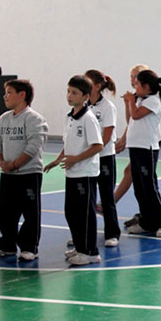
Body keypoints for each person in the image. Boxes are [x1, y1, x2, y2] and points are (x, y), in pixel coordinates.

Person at [0, 80, 48, 262]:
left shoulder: (34, 118)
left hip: (28, 174)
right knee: (6, 212)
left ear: (22, 95)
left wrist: (16, 164)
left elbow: (35, 144)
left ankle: (29, 247)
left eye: (9, 92)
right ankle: (7, 244)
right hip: (8, 175)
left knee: (30, 212)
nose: (5, 96)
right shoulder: (3, 118)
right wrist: (1, 161)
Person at [45, 76, 103, 265]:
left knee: (84, 214)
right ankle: (79, 247)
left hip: (84, 173)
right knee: (71, 212)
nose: (69, 96)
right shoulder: (69, 117)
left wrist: (75, 160)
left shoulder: (89, 118)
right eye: (68, 91)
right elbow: (68, 143)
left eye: (74, 93)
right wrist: (58, 160)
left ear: (85, 96)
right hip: (71, 172)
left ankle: (90, 252)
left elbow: (97, 146)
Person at [122, 69, 161, 237]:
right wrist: (128, 103)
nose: (134, 87)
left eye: (137, 85)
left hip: (147, 148)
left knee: (149, 186)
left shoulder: (153, 101)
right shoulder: (140, 100)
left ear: (146, 86)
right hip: (135, 146)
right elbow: (130, 118)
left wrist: (131, 101)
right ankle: (146, 221)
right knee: (139, 187)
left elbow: (136, 116)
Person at [85, 69, 120, 247]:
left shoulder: (108, 107)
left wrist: (94, 151)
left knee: (107, 197)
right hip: (87, 160)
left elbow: (107, 136)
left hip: (104, 157)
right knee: (87, 198)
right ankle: (84, 235)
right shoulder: (83, 106)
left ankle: (112, 233)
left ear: (98, 86)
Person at [115, 63, 148, 228]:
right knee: (132, 173)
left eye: (136, 76)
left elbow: (135, 118)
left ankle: (111, 203)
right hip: (138, 142)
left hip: (147, 144)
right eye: (131, 76)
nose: (133, 79)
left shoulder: (147, 98)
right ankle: (144, 213)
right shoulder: (135, 97)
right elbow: (130, 121)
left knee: (143, 180)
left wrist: (123, 139)